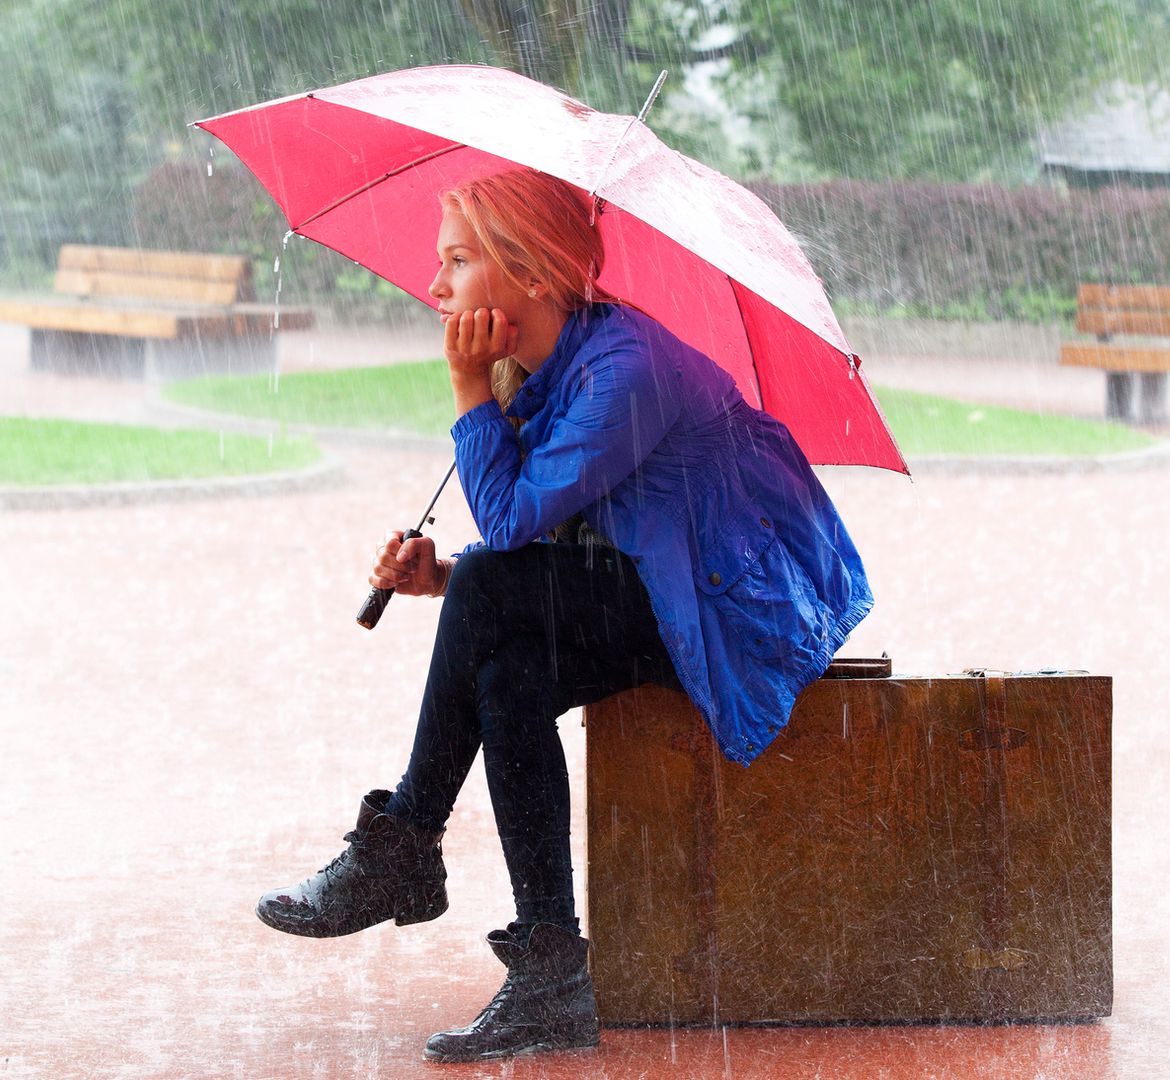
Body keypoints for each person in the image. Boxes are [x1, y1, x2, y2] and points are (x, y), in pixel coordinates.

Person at [256, 168, 872, 1063]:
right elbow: (557, 545)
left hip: (728, 611)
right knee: (509, 678)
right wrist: (443, 575)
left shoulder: (628, 372)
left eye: (458, 262)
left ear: (533, 274)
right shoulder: (559, 369)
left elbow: (512, 527)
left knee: (490, 594)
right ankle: (551, 972)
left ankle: (404, 845)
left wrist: (470, 389)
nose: (435, 287)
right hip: (660, 587)